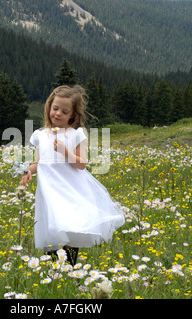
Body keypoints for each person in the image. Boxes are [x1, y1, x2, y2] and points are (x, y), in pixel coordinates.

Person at [20, 85, 125, 266]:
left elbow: (81, 163)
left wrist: (64, 151)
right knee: (51, 228)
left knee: (68, 226)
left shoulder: (75, 135)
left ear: (72, 115)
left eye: (64, 111)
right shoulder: (40, 135)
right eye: (55, 108)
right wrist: (29, 171)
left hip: (69, 190)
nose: (58, 113)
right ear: (49, 108)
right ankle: (56, 269)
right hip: (48, 192)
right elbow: (39, 162)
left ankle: (69, 267)